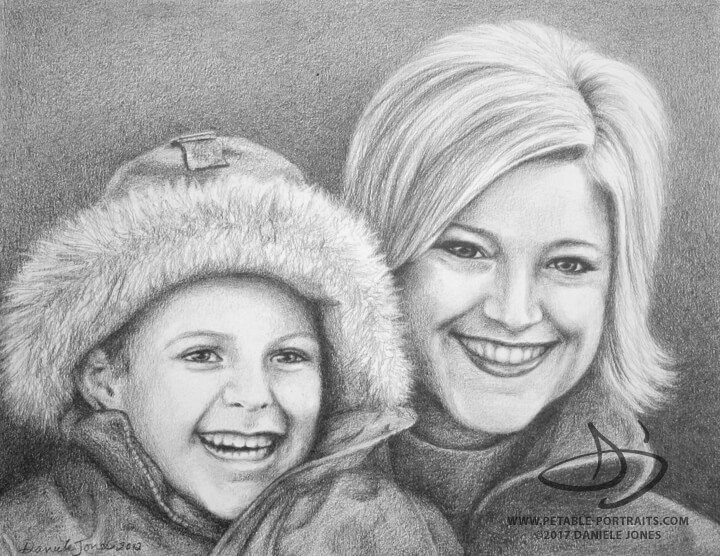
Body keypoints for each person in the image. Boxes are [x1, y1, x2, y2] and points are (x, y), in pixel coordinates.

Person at [343, 21, 720, 554]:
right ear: (380, 255)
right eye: (467, 250)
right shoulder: (253, 505)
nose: (514, 313)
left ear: (616, 288)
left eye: (568, 264)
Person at [0, 134, 461, 555]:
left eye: (289, 356)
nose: (254, 395)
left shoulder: (390, 529)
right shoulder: (24, 536)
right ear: (104, 381)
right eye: (202, 355)